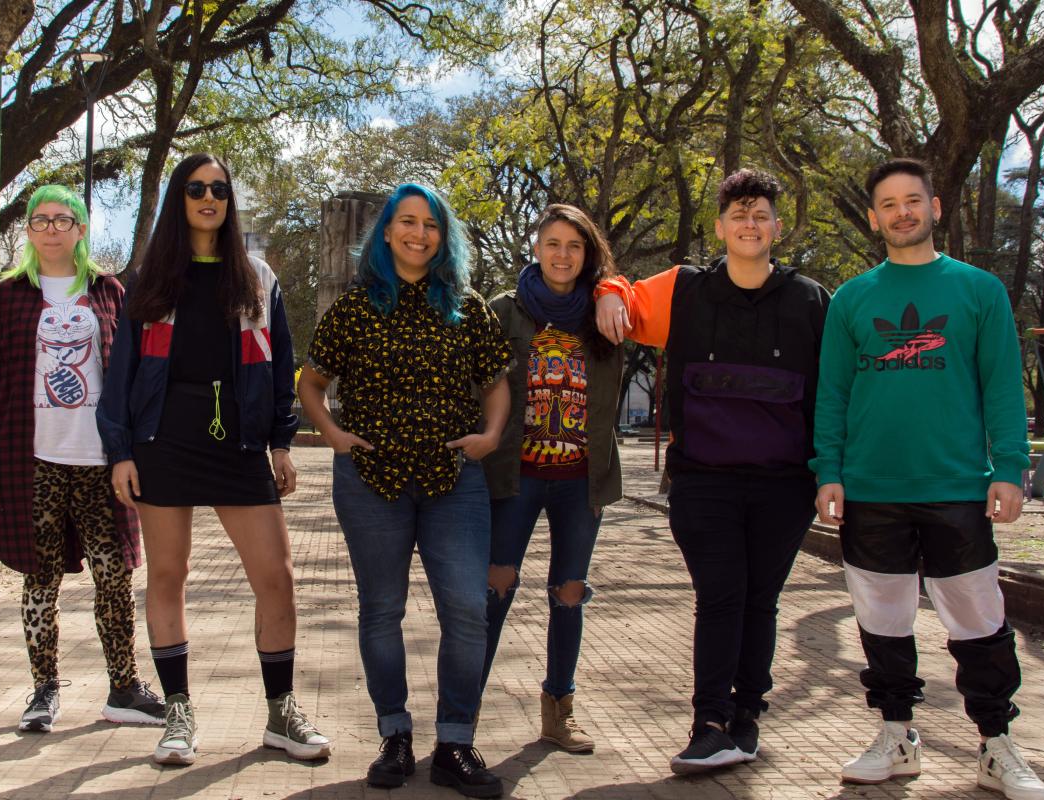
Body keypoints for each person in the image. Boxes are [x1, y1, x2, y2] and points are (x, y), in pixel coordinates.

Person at [812, 158, 1044, 800]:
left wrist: (1009, 467)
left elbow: (1002, 386)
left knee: (978, 620)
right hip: (871, 489)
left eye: (912, 200)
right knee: (883, 620)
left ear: (935, 207)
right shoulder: (852, 300)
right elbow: (831, 393)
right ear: (873, 218)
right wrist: (828, 471)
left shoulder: (978, 291)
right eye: (888, 204)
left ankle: (997, 746)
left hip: (957, 487)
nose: (901, 213)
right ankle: (896, 737)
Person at [96, 153, 329, 766]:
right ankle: (178, 712)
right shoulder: (148, 280)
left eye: (219, 189)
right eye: (196, 188)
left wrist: (282, 439)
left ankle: (281, 712)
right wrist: (120, 451)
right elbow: (120, 375)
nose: (208, 197)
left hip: (241, 441)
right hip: (163, 438)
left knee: (276, 575)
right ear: (180, 198)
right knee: (167, 575)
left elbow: (283, 366)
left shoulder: (257, 276)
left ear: (229, 200)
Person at [595, 169, 829, 773]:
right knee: (721, 596)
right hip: (703, 481)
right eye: (738, 214)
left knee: (761, 601)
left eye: (761, 215)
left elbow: (834, 394)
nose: (750, 224)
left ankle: (746, 718)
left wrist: (833, 471)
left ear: (778, 227)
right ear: (719, 226)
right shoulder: (684, 289)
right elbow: (619, 289)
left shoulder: (811, 299)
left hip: (785, 484)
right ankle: (709, 722)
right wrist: (609, 294)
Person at [299, 183, 513, 799]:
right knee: (381, 610)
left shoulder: (466, 307)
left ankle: (454, 743)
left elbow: (495, 385)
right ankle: (394, 734)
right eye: (408, 222)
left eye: (432, 225)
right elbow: (312, 383)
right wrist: (334, 435)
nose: (420, 234)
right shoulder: (354, 307)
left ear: (444, 238)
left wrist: (491, 434)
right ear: (387, 232)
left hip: (455, 482)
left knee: (468, 610)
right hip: (371, 482)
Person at [0, 184, 163, 733]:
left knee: (113, 575)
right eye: (39, 220)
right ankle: (43, 690)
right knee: (40, 579)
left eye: (62, 219)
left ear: (80, 228)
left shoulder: (109, 292)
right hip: (32, 461)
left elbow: (133, 373)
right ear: (27, 231)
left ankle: (124, 687)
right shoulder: (7, 298)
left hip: (101, 461)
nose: (50, 228)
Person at [479, 204, 624, 754]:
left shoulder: (606, 312)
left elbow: (651, 299)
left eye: (575, 246)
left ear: (588, 255)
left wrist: (613, 290)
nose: (563, 255)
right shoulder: (503, 310)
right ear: (536, 248)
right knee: (494, 588)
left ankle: (558, 710)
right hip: (515, 475)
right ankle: (462, 712)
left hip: (581, 480)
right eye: (553, 243)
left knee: (569, 592)